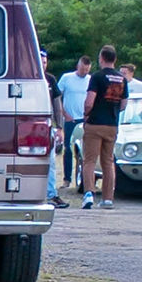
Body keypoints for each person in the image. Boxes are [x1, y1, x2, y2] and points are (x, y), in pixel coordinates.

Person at [82, 45, 128, 209]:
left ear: (101, 58)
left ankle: (89, 194)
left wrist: (86, 114)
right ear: (114, 59)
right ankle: (108, 198)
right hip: (111, 125)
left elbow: (89, 102)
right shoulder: (122, 79)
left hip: (95, 124)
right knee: (108, 162)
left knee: (89, 160)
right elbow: (123, 104)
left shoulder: (97, 77)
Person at [57, 55, 91, 187]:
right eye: (83, 69)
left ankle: (82, 178)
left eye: (87, 70)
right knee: (69, 149)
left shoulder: (90, 80)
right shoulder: (67, 78)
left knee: (84, 150)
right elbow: (57, 97)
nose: (84, 72)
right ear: (78, 66)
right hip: (70, 119)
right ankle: (66, 179)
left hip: (84, 119)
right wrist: (64, 113)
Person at [42, 50, 68, 208]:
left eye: (45, 62)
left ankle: (51, 194)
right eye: (40, 61)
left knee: (51, 161)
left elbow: (57, 105)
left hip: (49, 125)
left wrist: (60, 127)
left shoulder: (50, 79)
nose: (43, 65)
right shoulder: (28, 77)